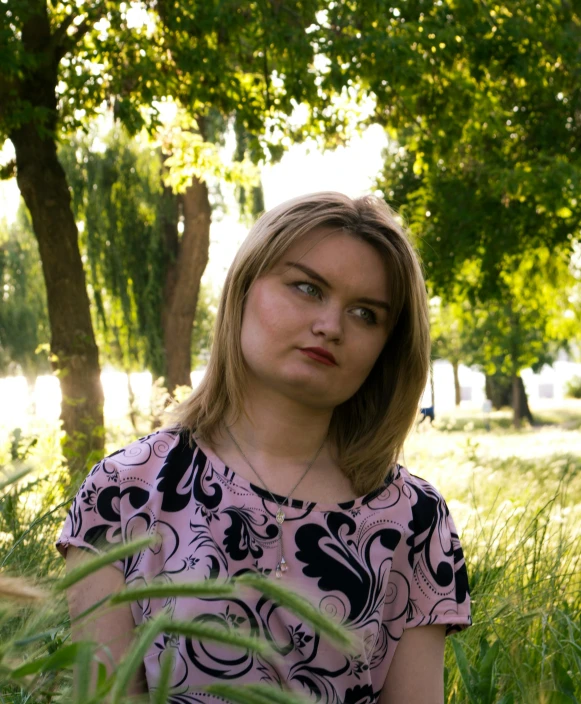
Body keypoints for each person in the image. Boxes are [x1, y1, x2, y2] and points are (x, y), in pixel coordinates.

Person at [56, 192, 471, 703]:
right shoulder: (123, 494)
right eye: (307, 288)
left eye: (366, 313)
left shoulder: (412, 519)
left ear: (387, 348)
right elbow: (106, 697)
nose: (331, 326)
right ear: (244, 287)